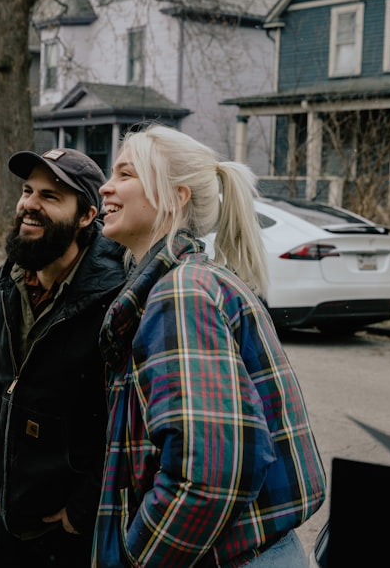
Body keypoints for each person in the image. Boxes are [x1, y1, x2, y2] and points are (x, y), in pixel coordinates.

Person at [92, 125, 327, 567]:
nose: (106, 186)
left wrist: (142, 557)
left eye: (126, 174)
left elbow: (212, 475)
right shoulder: (190, 281)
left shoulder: (181, 292)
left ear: (177, 195)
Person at [0, 148, 126, 566]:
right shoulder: (9, 276)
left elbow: (122, 423)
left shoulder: (113, 296)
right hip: (10, 514)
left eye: (51, 196)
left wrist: (82, 509)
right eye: (27, 191)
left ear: (87, 216)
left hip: (71, 533)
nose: (29, 205)